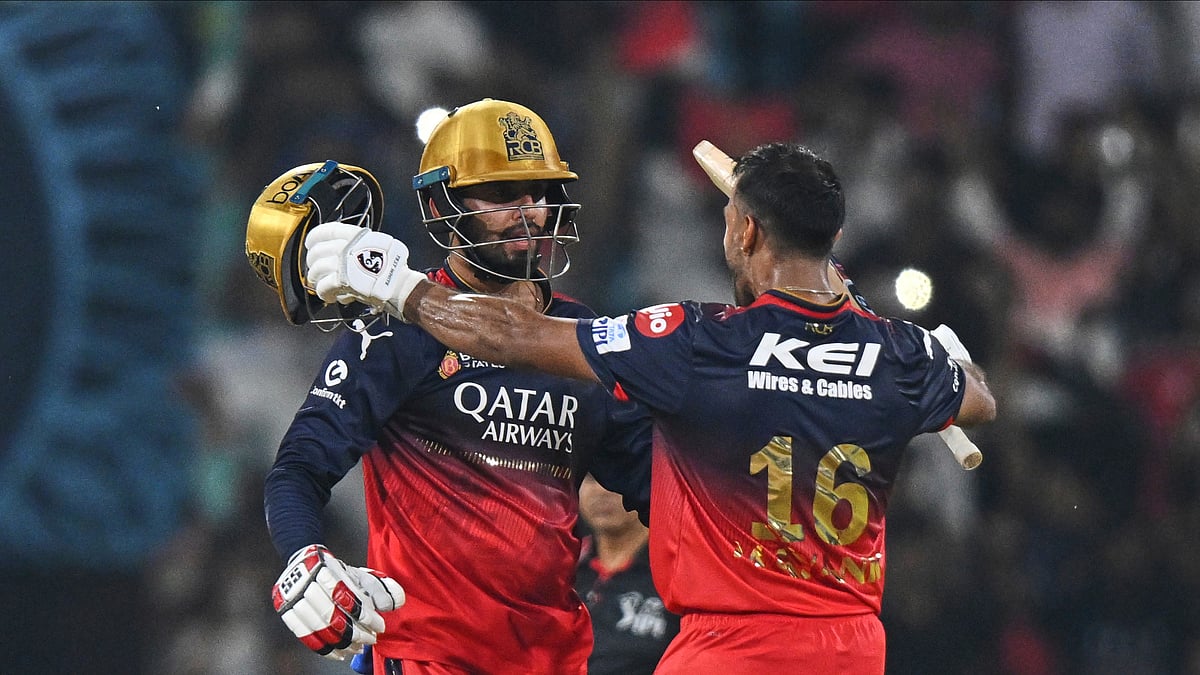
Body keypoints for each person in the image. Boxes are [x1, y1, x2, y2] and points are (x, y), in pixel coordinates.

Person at [305, 140, 998, 673]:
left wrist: (401, 288)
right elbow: (978, 400)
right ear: (835, 240)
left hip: (728, 646)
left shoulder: (701, 341)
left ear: (746, 233)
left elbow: (515, 335)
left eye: (727, 222)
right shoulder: (900, 355)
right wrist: (948, 354)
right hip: (853, 648)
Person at [259, 99, 651, 675]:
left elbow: (655, 486)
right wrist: (304, 556)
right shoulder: (393, 331)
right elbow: (298, 468)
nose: (529, 213)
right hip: (429, 658)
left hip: (559, 660)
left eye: (539, 193)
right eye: (501, 196)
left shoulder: (579, 335)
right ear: (443, 205)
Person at [576, 474, 680, 674]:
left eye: (613, 477)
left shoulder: (678, 567)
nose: (601, 491)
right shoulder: (563, 566)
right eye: (591, 480)